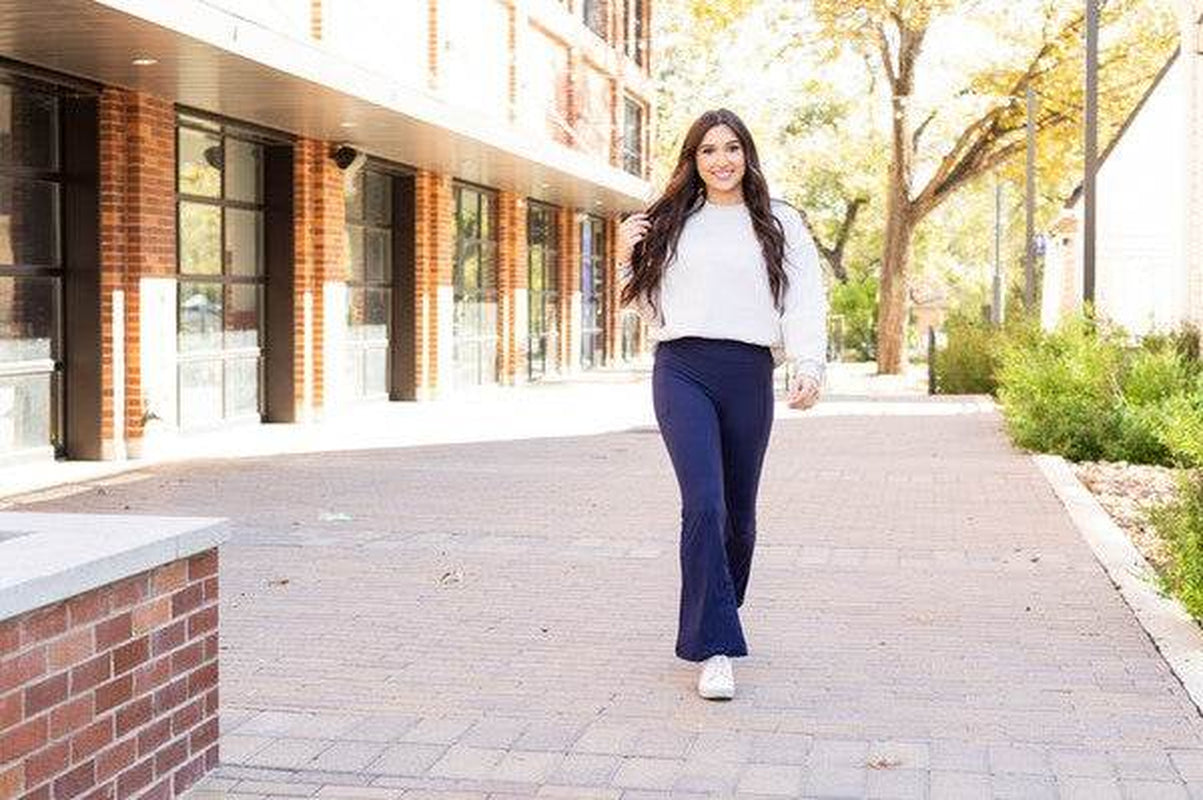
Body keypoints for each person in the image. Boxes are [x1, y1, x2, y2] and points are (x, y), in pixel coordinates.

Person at [616, 108, 828, 701]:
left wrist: (808, 364)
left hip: (748, 371)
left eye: (731, 148)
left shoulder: (780, 221)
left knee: (739, 516)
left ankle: (720, 605)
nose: (721, 160)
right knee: (704, 505)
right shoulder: (670, 221)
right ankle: (714, 647)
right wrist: (628, 254)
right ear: (693, 160)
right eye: (707, 150)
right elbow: (647, 307)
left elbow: (805, 297)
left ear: (747, 154)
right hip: (681, 368)